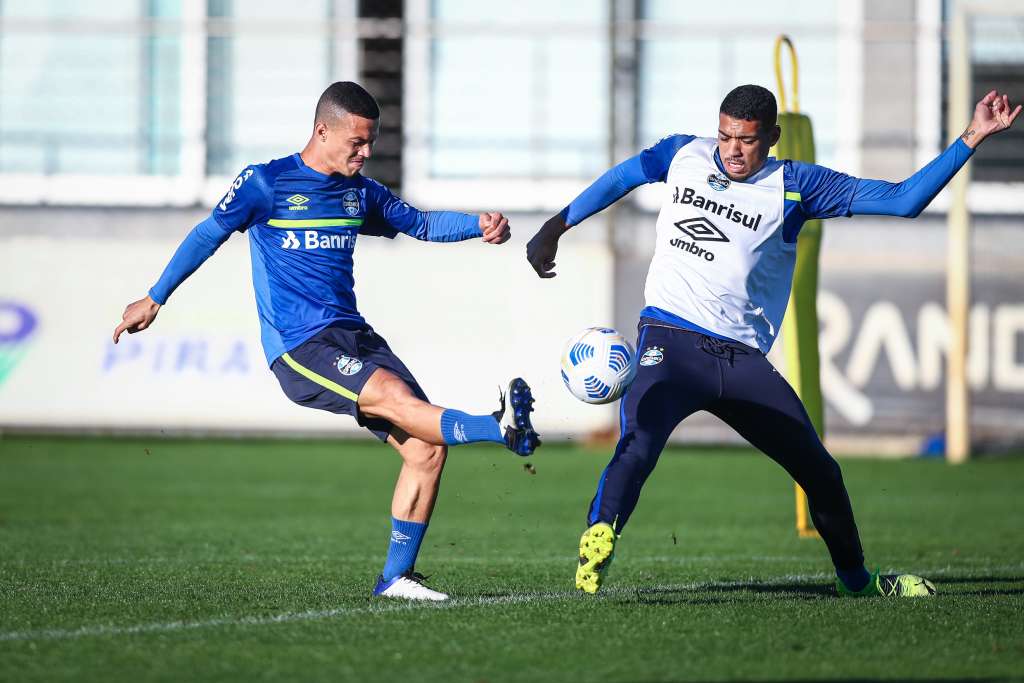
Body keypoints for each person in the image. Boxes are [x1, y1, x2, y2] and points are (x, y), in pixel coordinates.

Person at [527, 85, 1020, 598]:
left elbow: (904, 200)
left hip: (741, 362)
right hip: (669, 340)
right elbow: (623, 176)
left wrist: (973, 136)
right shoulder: (684, 154)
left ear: (772, 137)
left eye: (745, 140)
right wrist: (559, 225)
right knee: (640, 439)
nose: (731, 150)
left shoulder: (796, 184)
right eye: (724, 136)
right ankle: (600, 534)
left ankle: (858, 581)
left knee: (821, 472)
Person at [114, 81, 541, 602]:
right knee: (393, 396)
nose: (365, 154)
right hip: (300, 346)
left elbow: (422, 223)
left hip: (353, 333)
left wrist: (478, 225)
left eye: (371, 144)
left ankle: (396, 579)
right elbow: (209, 232)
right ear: (322, 130)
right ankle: (499, 428)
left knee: (426, 451)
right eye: (357, 143)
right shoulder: (266, 183)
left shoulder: (359, 192)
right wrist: (155, 297)